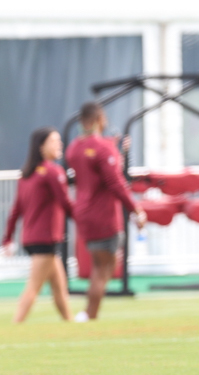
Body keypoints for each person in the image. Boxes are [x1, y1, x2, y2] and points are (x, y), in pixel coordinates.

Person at [65, 102, 146, 322]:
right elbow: (116, 183)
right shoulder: (103, 148)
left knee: (97, 268)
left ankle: (89, 313)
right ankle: (90, 315)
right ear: (100, 119)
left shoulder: (73, 148)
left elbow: (92, 162)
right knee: (104, 269)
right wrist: (135, 209)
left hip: (84, 214)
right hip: (105, 215)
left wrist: (114, 149)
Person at [2, 128, 74, 322]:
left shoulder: (27, 175)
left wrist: (7, 238)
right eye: (54, 141)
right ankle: (15, 325)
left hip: (32, 238)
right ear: (41, 146)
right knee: (33, 287)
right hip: (46, 239)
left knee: (59, 288)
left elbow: (15, 211)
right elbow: (67, 204)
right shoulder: (52, 172)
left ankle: (71, 323)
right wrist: (88, 221)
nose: (59, 144)